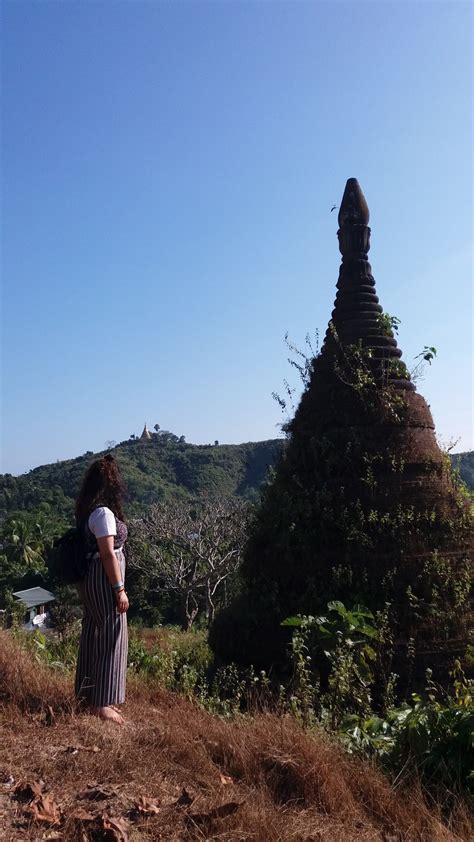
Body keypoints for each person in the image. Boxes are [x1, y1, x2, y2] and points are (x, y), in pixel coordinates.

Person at [74, 455, 129, 724]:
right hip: (103, 577)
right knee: (112, 633)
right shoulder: (104, 513)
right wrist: (119, 589)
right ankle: (103, 703)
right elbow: (108, 554)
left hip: (90, 578)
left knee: (92, 633)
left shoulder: (89, 512)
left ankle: (87, 695)